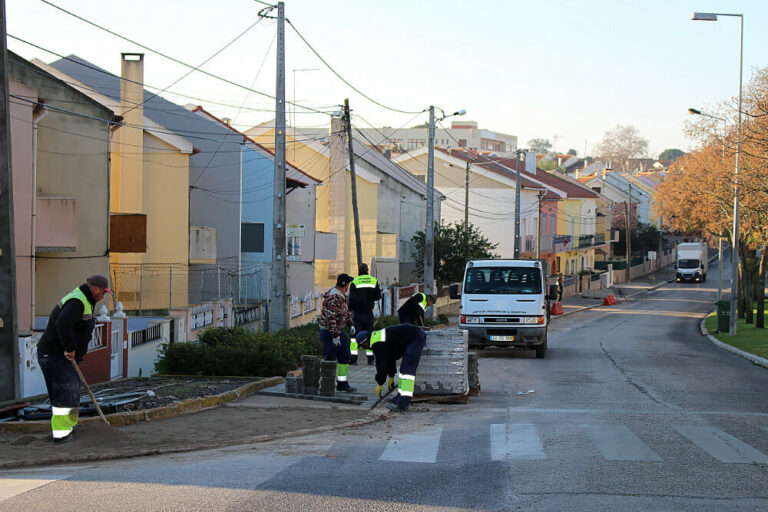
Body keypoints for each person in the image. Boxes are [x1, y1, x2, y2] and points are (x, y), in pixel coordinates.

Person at [37, 274, 111, 443]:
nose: (103, 296)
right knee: (64, 392)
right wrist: (70, 348)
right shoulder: (77, 301)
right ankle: (62, 434)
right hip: (55, 354)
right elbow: (62, 324)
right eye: (102, 293)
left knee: (72, 390)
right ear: (95, 289)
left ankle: (68, 426)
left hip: (63, 356)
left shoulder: (85, 301)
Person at [355, 323, 427, 412]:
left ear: (365, 341)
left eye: (362, 346)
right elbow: (389, 358)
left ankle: (403, 404)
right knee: (403, 370)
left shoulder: (376, 343)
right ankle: (398, 399)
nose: (364, 348)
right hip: (414, 336)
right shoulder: (377, 338)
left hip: (415, 337)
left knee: (407, 372)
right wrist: (391, 376)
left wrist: (380, 383)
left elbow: (381, 365)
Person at [318, 273, 356, 393]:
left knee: (344, 356)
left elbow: (345, 312)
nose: (349, 286)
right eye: (348, 284)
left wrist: (351, 324)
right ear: (345, 285)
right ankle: (327, 385)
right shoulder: (334, 297)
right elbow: (331, 318)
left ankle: (342, 383)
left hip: (339, 332)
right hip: (330, 333)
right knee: (330, 359)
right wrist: (335, 336)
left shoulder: (342, 296)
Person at [348, 263, 381, 366]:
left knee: (355, 337)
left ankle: (353, 359)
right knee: (369, 336)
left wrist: (350, 310)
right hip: (368, 313)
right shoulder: (373, 280)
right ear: (367, 270)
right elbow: (378, 297)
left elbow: (351, 299)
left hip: (357, 314)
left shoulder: (354, 282)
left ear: (359, 270)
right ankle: (370, 359)